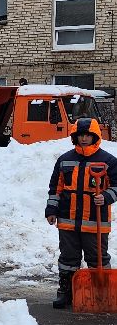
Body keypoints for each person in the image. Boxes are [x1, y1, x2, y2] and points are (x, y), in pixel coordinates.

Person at [45, 117, 117, 308]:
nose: (84, 139)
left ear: (95, 137)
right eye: (80, 135)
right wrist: (51, 209)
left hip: (95, 221)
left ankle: (101, 292)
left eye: (87, 135)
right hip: (68, 219)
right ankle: (66, 292)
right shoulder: (64, 160)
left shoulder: (108, 161)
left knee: (97, 258)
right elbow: (56, 188)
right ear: (74, 137)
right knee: (68, 258)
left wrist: (107, 196)